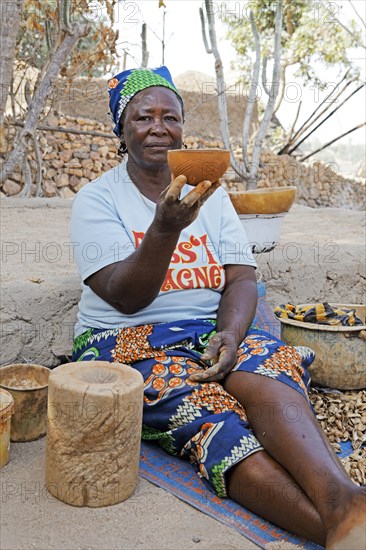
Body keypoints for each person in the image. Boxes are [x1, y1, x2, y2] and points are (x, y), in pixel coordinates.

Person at [70, 66, 365, 549]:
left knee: (270, 368)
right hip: (127, 343)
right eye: (143, 117)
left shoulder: (211, 193)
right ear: (121, 129)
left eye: (171, 117)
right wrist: (165, 228)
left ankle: (344, 501)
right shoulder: (98, 200)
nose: (159, 128)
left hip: (207, 330)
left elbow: (242, 277)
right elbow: (125, 295)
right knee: (207, 414)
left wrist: (230, 334)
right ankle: (338, 528)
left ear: (184, 127)